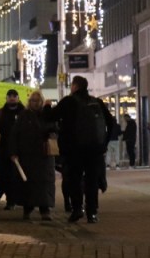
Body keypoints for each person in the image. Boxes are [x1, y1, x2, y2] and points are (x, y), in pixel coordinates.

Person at [44, 75, 115, 223]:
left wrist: (46, 106)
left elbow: (50, 117)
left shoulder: (69, 102)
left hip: (74, 149)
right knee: (92, 180)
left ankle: (77, 209)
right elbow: (112, 123)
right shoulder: (97, 102)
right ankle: (92, 212)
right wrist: (103, 143)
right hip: (94, 150)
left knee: (74, 179)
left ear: (75, 86)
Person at [9, 90, 56, 221]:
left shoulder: (46, 114)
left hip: (43, 155)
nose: (35, 103)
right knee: (28, 184)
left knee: (44, 183)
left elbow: (54, 128)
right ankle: (27, 209)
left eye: (38, 101)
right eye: (33, 100)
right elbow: (15, 134)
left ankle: (44, 209)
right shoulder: (24, 115)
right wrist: (13, 152)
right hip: (27, 155)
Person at [0, 89, 24, 209]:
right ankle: (8, 198)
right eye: (10, 96)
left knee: (15, 176)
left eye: (14, 96)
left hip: (19, 150)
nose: (12, 98)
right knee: (3, 174)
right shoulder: (0, 113)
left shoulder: (24, 113)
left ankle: (13, 199)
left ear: (18, 98)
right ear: (6, 98)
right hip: (3, 149)